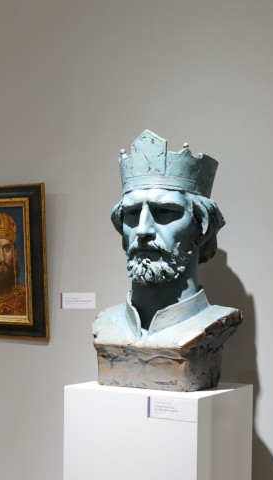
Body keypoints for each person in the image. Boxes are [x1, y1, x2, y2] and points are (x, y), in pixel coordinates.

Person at [92, 130, 242, 390]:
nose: (143, 230)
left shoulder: (216, 324)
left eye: (165, 211)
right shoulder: (105, 324)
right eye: (132, 213)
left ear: (202, 228)